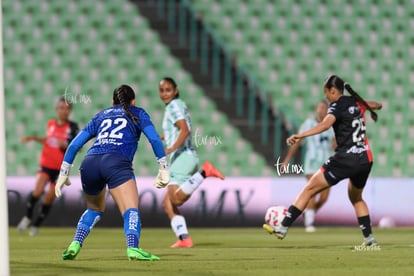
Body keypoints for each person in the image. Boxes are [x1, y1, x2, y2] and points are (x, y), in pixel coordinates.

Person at [54, 84, 170, 261]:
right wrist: (163, 167)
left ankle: (75, 243)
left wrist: (63, 173)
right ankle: (133, 247)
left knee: (94, 208)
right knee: (130, 209)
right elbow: (154, 138)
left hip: (90, 163)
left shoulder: (100, 115)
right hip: (116, 163)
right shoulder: (138, 112)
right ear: (133, 101)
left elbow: (74, 145)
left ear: (112, 101)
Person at [263, 75, 382, 246]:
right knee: (356, 198)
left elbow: (325, 125)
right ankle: (369, 238)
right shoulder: (355, 102)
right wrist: (371, 106)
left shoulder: (335, 106)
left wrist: (301, 135)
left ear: (333, 91)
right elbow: (377, 105)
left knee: (309, 188)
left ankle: (283, 227)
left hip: (345, 158)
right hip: (365, 159)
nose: (326, 97)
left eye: (326, 93)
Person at [158, 77, 225, 248]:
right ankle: (183, 238)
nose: (164, 93)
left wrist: (171, 147)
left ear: (175, 91)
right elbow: (179, 128)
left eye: (168, 90)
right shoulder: (177, 105)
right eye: (162, 90)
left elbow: (185, 129)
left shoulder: (174, 106)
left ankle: (205, 172)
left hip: (183, 156)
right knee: (168, 203)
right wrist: (164, 138)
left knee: (176, 200)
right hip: (181, 156)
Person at [17, 97, 79, 236]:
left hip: (61, 169)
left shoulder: (73, 127)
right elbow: (48, 140)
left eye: (67, 108)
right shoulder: (51, 123)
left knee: (49, 198)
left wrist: (66, 145)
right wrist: (33, 138)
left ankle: (36, 225)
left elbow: (77, 147)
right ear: (57, 109)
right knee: (37, 191)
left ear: (70, 111)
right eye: (62, 108)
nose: (64, 111)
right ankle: (27, 217)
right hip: (46, 165)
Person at [281, 101, 336, 232]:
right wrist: (287, 159)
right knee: (311, 191)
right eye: (320, 108)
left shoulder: (331, 126)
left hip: (326, 163)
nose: (322, 110)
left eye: (324, 108)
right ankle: (309, 223)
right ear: (317, 109)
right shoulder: (308, 124)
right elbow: (298, 142)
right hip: (311, 162)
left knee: (324, 197)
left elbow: (335, 144)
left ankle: (309, 212)